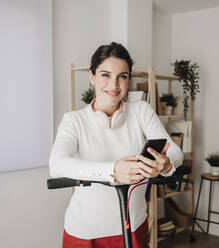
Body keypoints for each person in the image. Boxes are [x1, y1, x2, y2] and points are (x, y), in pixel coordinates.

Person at [49, 42, 184, 248]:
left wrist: (165, 165)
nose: (114, 85)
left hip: (133, 226)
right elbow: (57, 165)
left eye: (122, 76)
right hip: (85, 232)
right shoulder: (73, 120)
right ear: (92, 77)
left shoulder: (141, 111)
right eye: (105, 75)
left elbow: (174, 151)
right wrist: (113, 170)